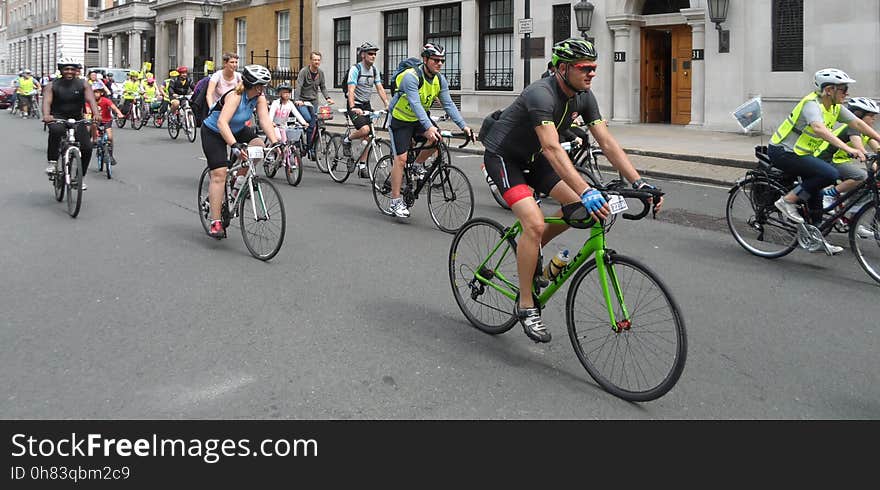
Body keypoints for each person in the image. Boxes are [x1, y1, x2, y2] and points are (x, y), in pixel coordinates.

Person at [480, 38, 663, 343]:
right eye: (585, 68)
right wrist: (586, 189)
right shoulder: (541, 93)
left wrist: (639, 182)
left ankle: (533, 250)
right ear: (563, 68)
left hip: (535, 159)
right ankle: (526, 305)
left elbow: (607, 142)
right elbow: (552, 147)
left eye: (594, 68)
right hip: (505, 158)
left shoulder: (584, 96)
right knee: (536, 223)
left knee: (579, 210)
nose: (592, 74)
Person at [770, 68, 880, 254]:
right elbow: (819, 129)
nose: (846, 94)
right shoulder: (812, 104)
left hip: (803, 154)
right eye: (843, 89)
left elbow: (859, 124)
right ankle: (787, 201)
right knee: (830, 174)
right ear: (829, 90)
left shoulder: (835, 107)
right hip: (783, 151)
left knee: (817, 195)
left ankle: (816, 236)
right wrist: (848, 148)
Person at [385, 43, 472, 217]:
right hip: (400, 120)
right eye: (435, 60)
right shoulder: (411, 77)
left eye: (442, 60)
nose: (439, 64)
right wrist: (429, 126)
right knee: (400, 159)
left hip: (418, 120)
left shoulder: (440, 79)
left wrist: (464, 125)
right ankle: (395, 201)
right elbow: (416, 104)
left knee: (437, 138)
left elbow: (448, 104)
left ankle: (417, 164)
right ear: (425, 59)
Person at [200, 65, 280, 239]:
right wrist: (235, 145)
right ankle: (215, 221)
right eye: (261, 85)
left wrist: (276, 142)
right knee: (219, 174)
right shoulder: (235, 96)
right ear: (253, 85)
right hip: (214, 131)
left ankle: (238, 182)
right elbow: (222, 123)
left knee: (258, 145)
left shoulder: (258, 97)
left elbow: (265, 119)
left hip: (236, 129)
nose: (263, 89)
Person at [42, 57, 101, 190]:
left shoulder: (83, 84)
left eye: (72, 69)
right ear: (61, 70)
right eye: (66, 69)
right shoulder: (52, 85)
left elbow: (91, 100)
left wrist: (96, 114)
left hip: (77, 118)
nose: (69, 71)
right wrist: (46, 115)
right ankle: (52, 162)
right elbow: (47, 102)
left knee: (87, 147)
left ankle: (79, 178)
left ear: (76, 71)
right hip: (58, 117)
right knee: (56, 131)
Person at [342, 42, 390, 170]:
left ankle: (362, 164)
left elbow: (380, 88)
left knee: (369, 135)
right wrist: (352, 107)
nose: (373, 56)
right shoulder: (356, 69)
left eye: (374, 54)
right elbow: (351, 89)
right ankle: (347, 139)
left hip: (366, 104)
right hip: (355, 104)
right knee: (365, 130)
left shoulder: (374, 70)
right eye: (370, 53)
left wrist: (387, 104)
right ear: (363, 55)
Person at [294, 51, 335, 157]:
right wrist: (297, 99)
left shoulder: (320, 73)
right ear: (311, 60)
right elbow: (298, 86)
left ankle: (311, 146)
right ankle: (303, 141)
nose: (317, 62)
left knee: (316, 123)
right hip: (302, 101)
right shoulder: (304, 72)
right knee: (308, 119)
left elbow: (323, 87)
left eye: (318, 60)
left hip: (313, 101)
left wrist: (328, 98)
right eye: (315, 60)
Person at [89, 82, 125, 166]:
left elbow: (114, 107)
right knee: (93, 125)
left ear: (101, 93)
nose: (95, 94)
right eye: (94, 92)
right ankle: (94, 140)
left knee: (109, 137)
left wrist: (119, 114)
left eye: (97, 92)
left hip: (106, 121)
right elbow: (87, 110)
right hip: (95, 121)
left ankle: (111, 155)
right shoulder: (89, 101)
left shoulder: (106, 100)